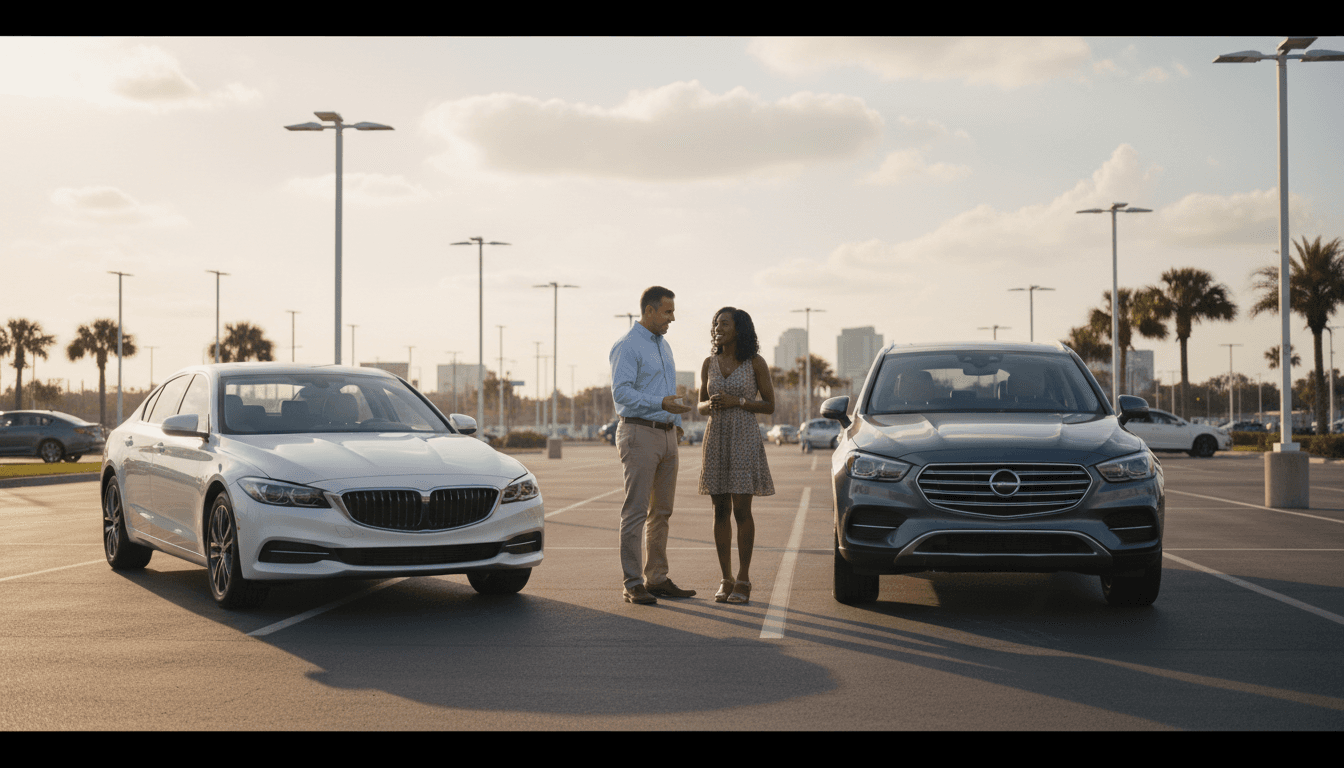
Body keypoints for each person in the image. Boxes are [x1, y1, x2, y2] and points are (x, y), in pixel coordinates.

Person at [609, 286, 695, 605]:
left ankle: (656, 578)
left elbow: (668, 392)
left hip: (667, 434)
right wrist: (659, 402)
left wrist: (678, 426)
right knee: (635, 511)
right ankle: (632, 582)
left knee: (662, 511)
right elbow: (622, 394)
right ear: (649, 311)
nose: (672, 318)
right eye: (667, 312)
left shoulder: (665, 345)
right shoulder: (627, 346)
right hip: (639, 433)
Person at [698, 306, 774, 604]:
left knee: (742, 511)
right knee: (720, 511)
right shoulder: (709, 363)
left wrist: (738, 401)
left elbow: (769, 405)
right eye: (716, 322)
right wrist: (714, 403)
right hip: (716, 437)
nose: (718, 326)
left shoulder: (756, 363)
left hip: (743, 437)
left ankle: (743, 579)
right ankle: (726, 578)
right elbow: (700, 405)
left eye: (724, 323)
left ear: (739, 328)